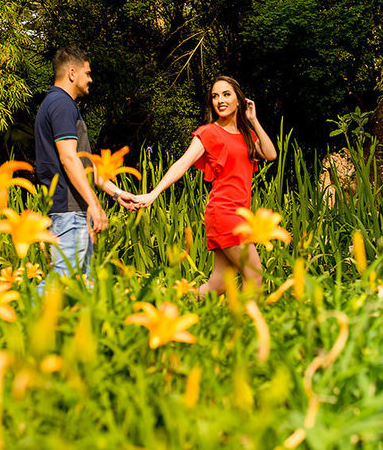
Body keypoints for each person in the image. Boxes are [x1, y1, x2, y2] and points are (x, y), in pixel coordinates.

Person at [127, 76, 277, 298]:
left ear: (239, 100)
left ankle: (171, 302)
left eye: (226, 94)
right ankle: (245, 329)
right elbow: (182, 164)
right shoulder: (208, 132)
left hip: (241, 213)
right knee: (254, 275)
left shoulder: (247, 135)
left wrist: (253, 120)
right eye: (215, 96)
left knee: (219, 284)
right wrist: (154, 193)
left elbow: (271, 154)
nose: (220, 100)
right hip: (224, 212)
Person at [34, 46, 132, 282]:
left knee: (78, 288)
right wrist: (94, 204)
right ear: (71, 73)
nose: (90, 79)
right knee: (65, 286)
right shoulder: (62, 105)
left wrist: (116, 193)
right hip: (71, 211)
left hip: (67, 210)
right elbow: (68, 159)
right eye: (87, 73)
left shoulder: (55, 104)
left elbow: (83, 162)